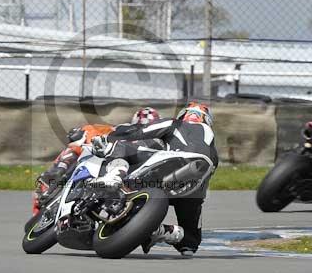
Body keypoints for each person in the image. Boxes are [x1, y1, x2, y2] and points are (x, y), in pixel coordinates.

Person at [92, 101, 219, 257]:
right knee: (190, 243)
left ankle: (114, 177)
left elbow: (140, 131)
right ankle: (163, 231)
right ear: (207, 121)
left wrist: (110, 136)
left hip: (172, 162)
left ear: (183, 115)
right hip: (193, 187)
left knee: (121, 147)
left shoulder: (174, 123)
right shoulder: (211, 143)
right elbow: (208, 173)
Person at [31, 107, 161, 214]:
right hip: (101, 161)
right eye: (142, 127)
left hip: (128, 178)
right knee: (78, 147)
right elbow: (89, 131)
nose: (145, 130)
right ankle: (53, 176)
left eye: (150, 127)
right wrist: (81, 133)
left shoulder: (158, 145)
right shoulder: (120, 129)